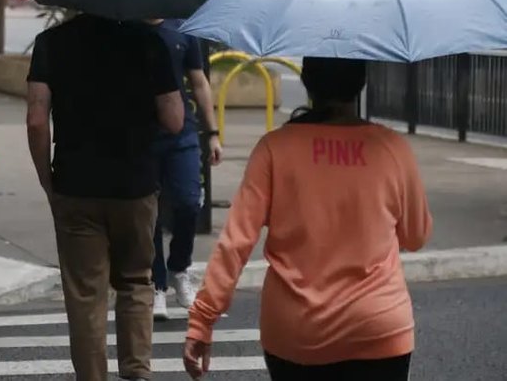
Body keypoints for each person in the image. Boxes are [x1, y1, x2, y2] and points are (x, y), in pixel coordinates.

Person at [183, 57, 432, 381]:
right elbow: (416, 237)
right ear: (361, 84)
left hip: (296, 330)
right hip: (378, 325)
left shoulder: (275, 148)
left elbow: (235, 242)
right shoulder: (392, 148)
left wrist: (203, 320)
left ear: (308, 84)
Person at [26, 13, 183, 381]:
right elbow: (174, 119)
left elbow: (36, 119)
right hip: (135, 186)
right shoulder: (149, 41)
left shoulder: (52, 42)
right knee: (135, 280)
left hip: (75, 185)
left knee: (85, 294)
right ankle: (137, 371)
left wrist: (46, 178)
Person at [143, 19, 223, 320]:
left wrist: (212, 132)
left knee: (189, 202)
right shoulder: (131, 30)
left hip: (183, 134)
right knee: (148, 211)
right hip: (143, 135)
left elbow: (199, 81)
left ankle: (179, 268)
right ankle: (157, 284)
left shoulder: (184, 30)